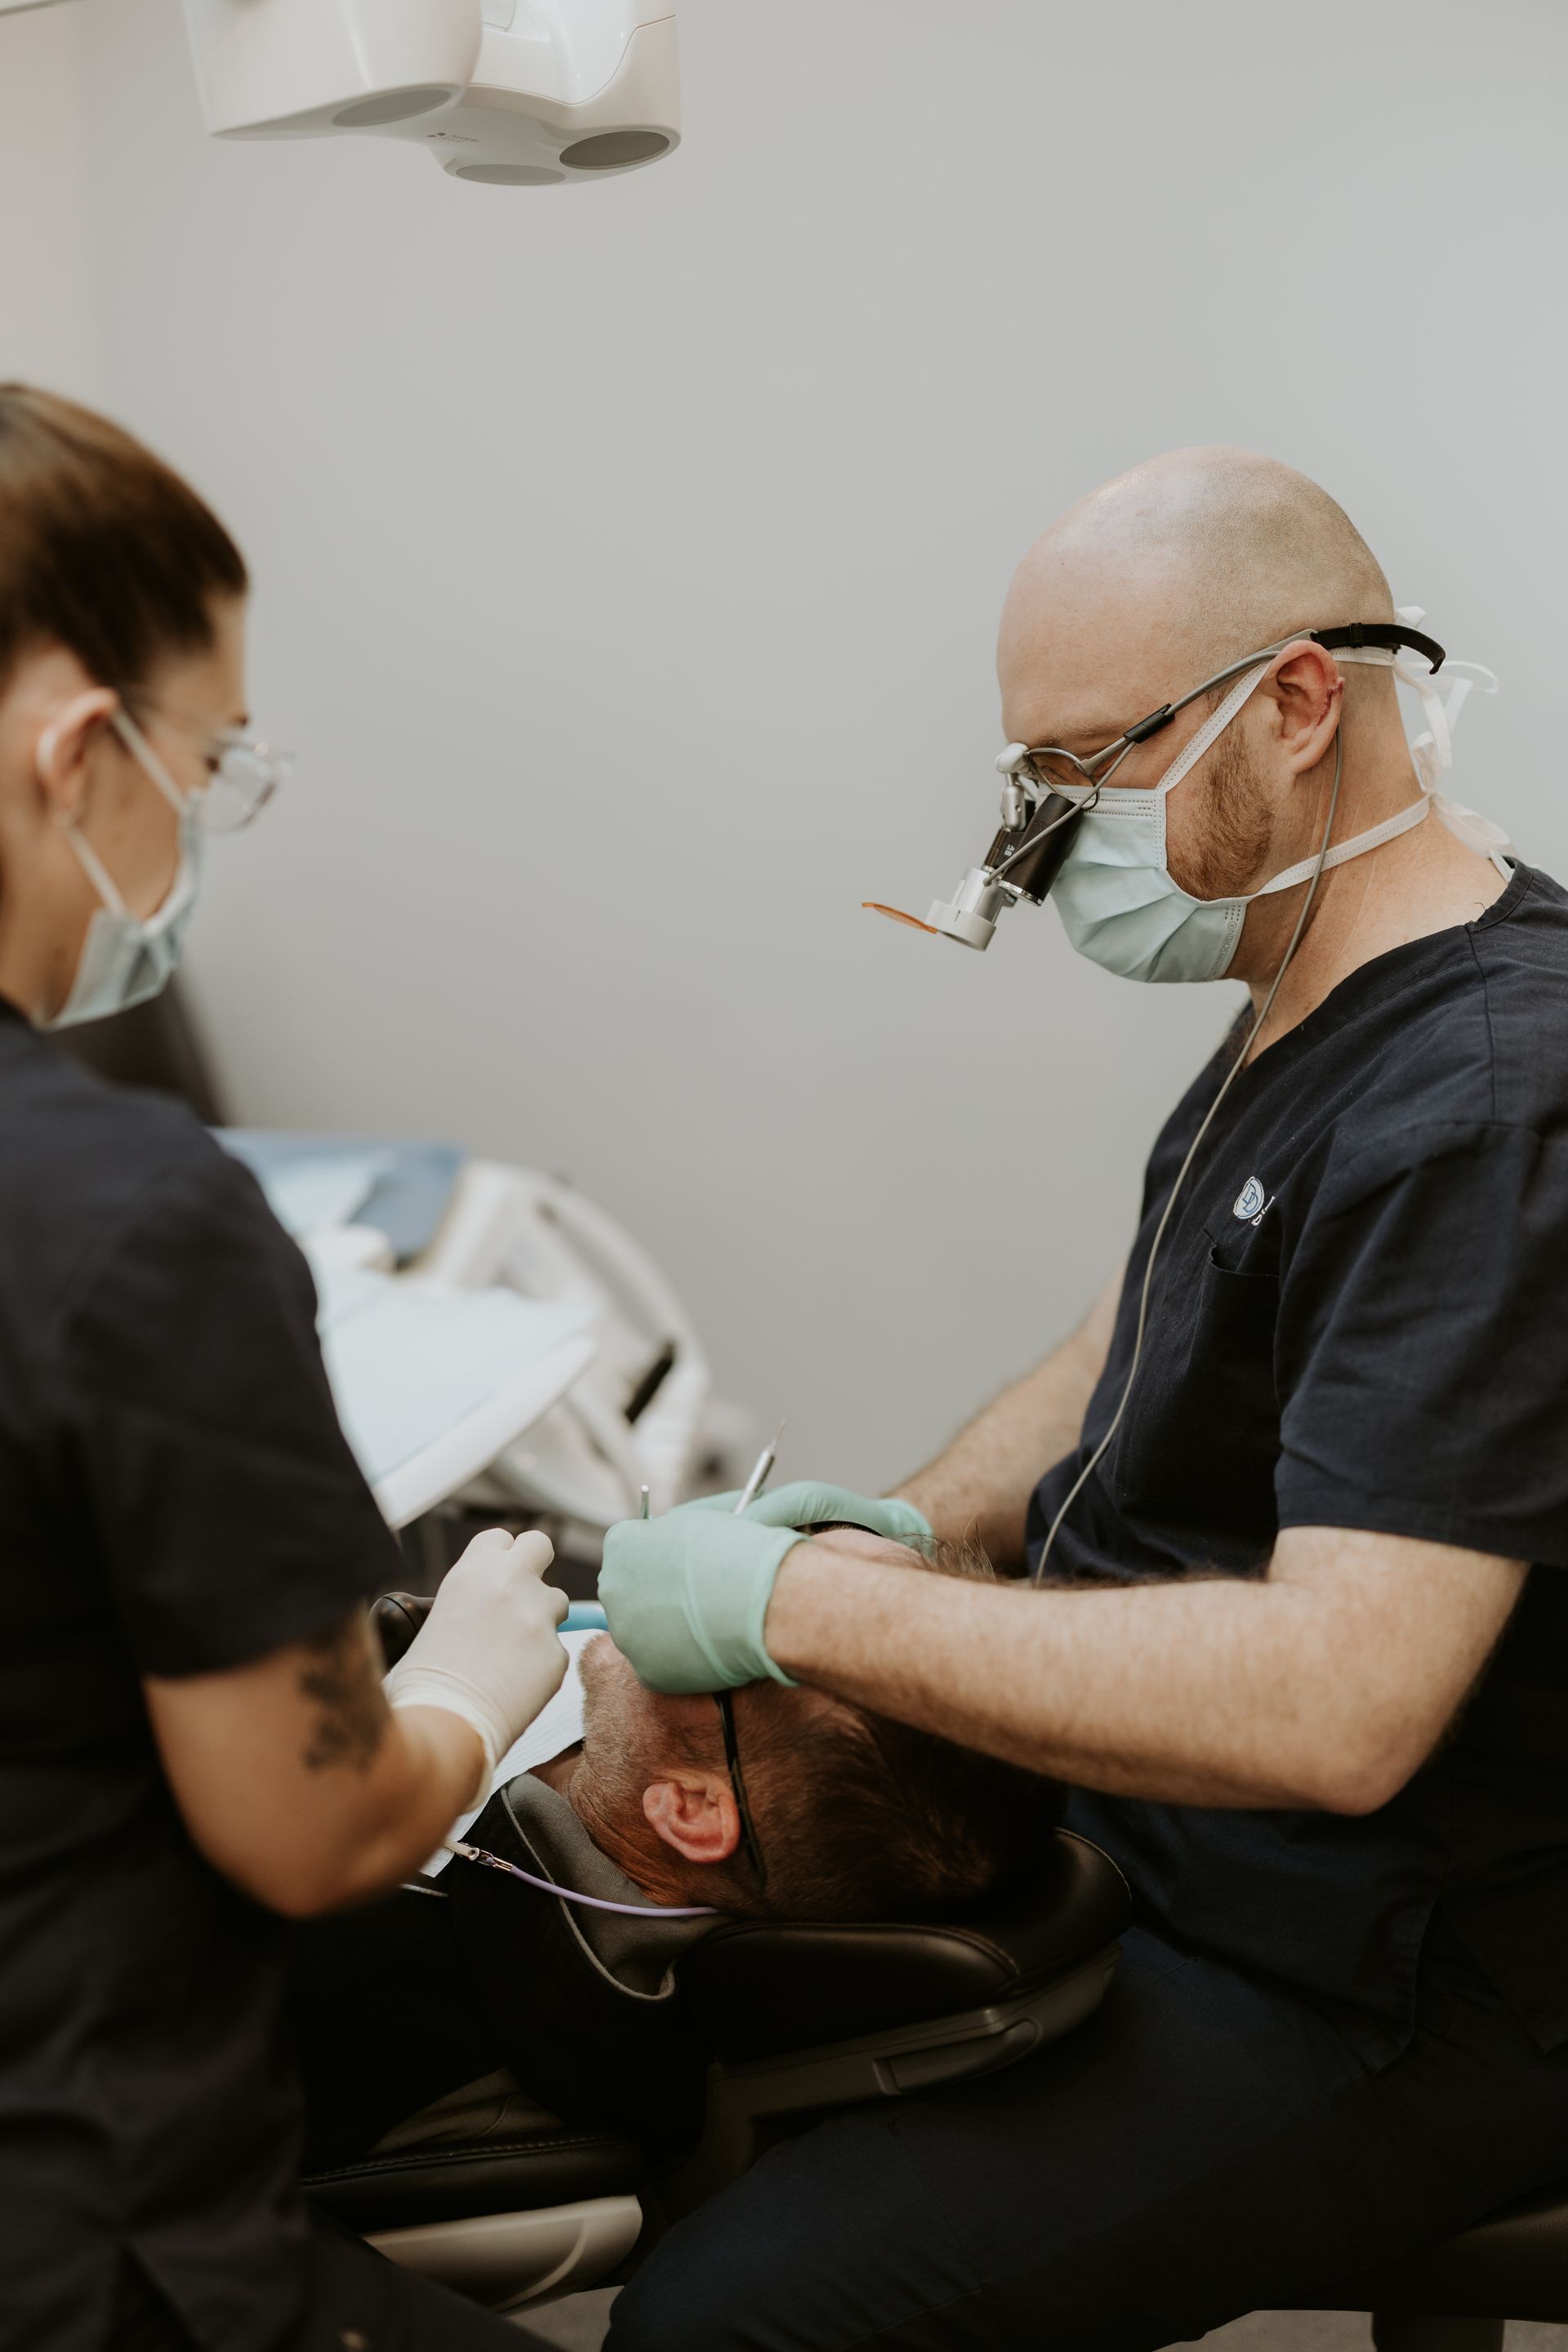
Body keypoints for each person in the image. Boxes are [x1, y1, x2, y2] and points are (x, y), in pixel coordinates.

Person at [597, 450, 1568, 2351]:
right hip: (1173, 1845)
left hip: (1389, 1965)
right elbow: (1138, 1329)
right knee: (630, 2052)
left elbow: (1341, 1708)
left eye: (1087, 767)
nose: (1041, 838)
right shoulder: (1313, 988)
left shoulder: (1494, 1093)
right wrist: (915, 1521)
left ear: (1297, 701)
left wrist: (802, 1608)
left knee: (724, 2320)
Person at [0, 385, 576, 2352]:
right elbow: (309, 1827)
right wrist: (464, 1695)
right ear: (79, 752)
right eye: (209, 758)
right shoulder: (124, 1219)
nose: (199, 814)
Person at [289, 1528, 1062, 2169]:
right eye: (779, 1545)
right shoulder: (629, 1731)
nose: (700, 1567)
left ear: (690, 1810)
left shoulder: (384, 1979)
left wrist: (439, 1701)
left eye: (736, 1616)